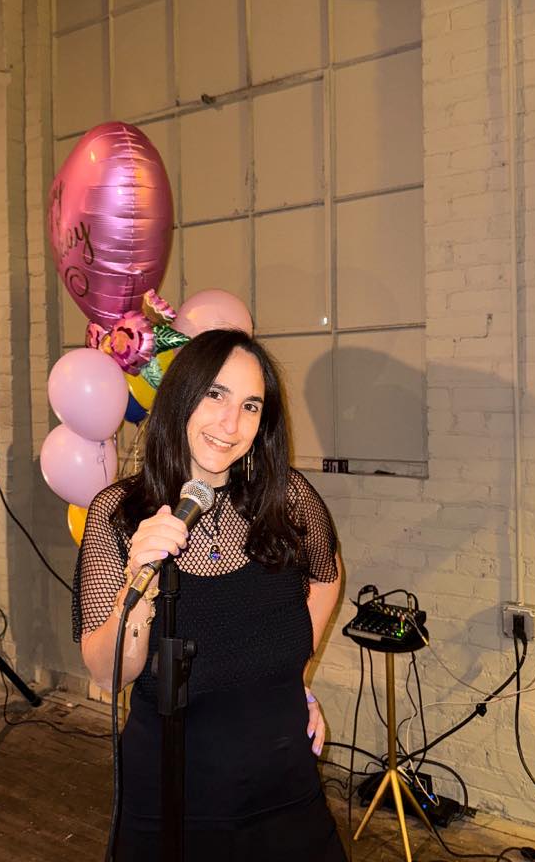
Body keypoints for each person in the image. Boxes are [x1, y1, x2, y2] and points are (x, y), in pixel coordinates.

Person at [73, 329, 347, 861]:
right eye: (215, 395)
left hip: (284, 786)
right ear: (182, 397)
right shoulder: (118, 512)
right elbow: (108, 673)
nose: (231, 423)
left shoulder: (287, 499)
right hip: (170, 797)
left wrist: (295, 676)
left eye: (250, 406)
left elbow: (327, 576)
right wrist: (139, 579)